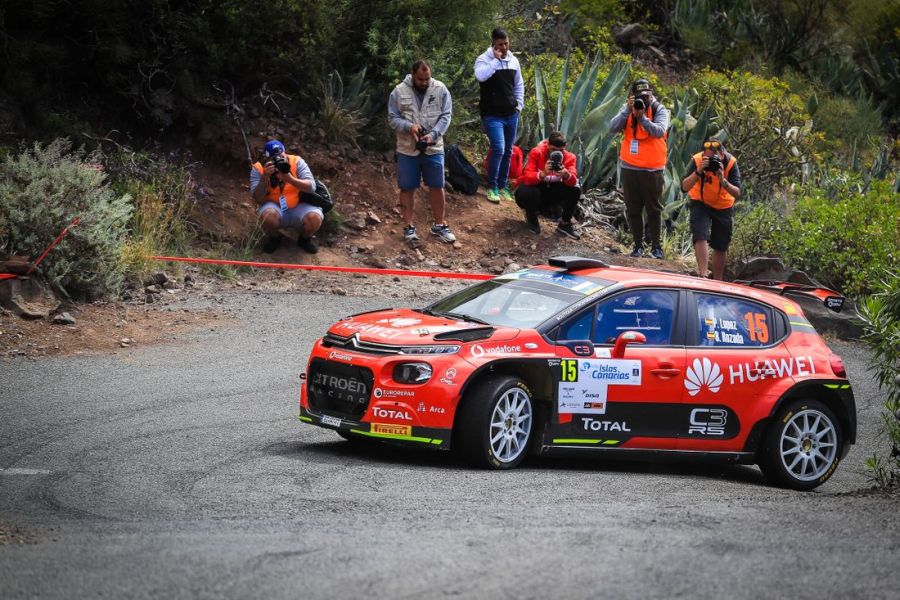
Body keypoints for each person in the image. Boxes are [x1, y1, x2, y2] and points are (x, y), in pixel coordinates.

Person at [388, 59, 456, 244]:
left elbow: (446, 115)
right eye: (420, 79)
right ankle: (409, 228)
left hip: (434, 147)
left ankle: (439, 226)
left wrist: (433, 135)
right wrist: (410, 127)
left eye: (427, 78)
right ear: (412, 74)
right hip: (407, 149)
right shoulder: (398, 91)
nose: (424, 82)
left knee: (437, 185)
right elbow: (392, 118)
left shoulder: (441, 89)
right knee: (407, 187)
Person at [608, 78, 670, 259]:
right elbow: (612, 128)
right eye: (638, 96)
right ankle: (637, 246)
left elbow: (659, 131)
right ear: (631, 96)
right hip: (629, 167)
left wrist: (642, 117)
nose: (643, 99)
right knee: (633, 208)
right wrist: (628, 110)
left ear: (651, 94)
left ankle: (656, 248)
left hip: (652, 169)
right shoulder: (628, 109)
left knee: (654, 208)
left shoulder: (660, 110)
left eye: (646, 95)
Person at [681, 137, 742, 280]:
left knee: (721, 244)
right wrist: (699, 170)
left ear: (722, 154)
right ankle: (703, 274)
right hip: (700, 201)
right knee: (700, 233)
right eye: (707, 157)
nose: (710, 161)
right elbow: (684, 187)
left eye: (714, 158)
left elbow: (738, 192)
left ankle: (717, 280)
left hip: (723, 205)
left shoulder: (730, 163)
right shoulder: (697, 160)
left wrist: (723, 180)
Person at [474, 28, 524, 204]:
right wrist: (495, 61)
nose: (504, 47)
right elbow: (480, 76)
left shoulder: (514, 61)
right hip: (492, 115)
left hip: (511, 114)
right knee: (499, 149)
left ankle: (503, 187)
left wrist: (519, 106)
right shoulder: (483, 60)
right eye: (500, 44)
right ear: (493, 44)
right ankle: (492, 187)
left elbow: (518, 85)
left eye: (506, 43)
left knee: (509, 151)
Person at [250, 140, 322, 254]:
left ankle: (304, 240)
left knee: (315, 219)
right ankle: (275, 238)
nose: (279, 160)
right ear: (267, 159)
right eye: (274, 159)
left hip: (298, 204)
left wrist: (290, 179)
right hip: (274, 205)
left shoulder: (297, 162)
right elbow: (257, 198)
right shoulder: (258, 168)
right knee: (267, 216)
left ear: (285, 152)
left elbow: (311, 187)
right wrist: (264, 178)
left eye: (281, 156)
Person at [515, 131, 582, 239]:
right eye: (553, 150)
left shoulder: (570, 157)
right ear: (548, 145)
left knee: (575, 189)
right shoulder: (537, 153)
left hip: (552, 195)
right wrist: (542, 174)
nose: (557, 153)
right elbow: (526, 177)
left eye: (561, 150)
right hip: (537, 191)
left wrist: (566, 175)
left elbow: (573, 181)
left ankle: (564, 224)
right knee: (527, 191)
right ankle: (531, 216)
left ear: (565, 148)